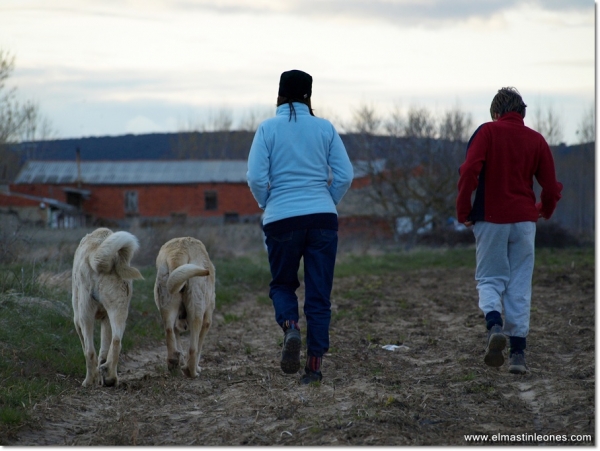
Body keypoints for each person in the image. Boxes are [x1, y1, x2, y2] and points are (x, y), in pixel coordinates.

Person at [246, 69, 354, 384]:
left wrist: (267, 202)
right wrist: (327, 201)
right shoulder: (325, 128)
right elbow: (345, 175)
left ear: (279, 94)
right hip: (322, 219)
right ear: (309, 96)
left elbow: (254, 177)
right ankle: (314, 368)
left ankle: (291, 328)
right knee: (319, 295)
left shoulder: (267, 129)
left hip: (282, 218)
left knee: (282, 285)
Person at [456, 87, 563, 374]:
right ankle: (518, 355)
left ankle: (494, 326)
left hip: (491, 218)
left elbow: (469, 171)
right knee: (519, 285)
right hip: (525, 222)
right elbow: (551, 187)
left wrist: (463, 210)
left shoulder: (487, 132)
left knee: (490, 278)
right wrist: (544, 209)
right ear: (522, 113)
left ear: (495, 113)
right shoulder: (536, 140)